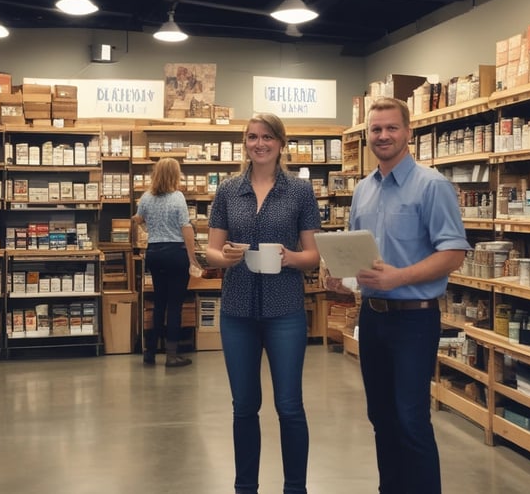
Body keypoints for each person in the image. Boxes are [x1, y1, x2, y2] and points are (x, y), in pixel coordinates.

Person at [325, 97, 471, 494]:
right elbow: (361, 255)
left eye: (392, 128)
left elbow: (453, 253)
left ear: (409, 132)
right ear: (367, 135)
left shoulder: (432, 185)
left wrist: (400, 277)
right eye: (376, 129)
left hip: (415, 319)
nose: (383, 135)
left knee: (410, 419)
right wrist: (343, 278)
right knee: (381, 417)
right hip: (372, 317)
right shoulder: (362, 191)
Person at [206, 112, 321, 494]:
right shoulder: (228, 190)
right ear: (245, 143)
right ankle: (245, 487)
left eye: (268, 137)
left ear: (281, 143)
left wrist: (289, 257)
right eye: (253, 137)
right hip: (237, 311)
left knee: (289, 405)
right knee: (243, 406)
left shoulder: (300, 191)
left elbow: (313, 255)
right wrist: (226, 258)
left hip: (285, 310)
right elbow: (212, 250)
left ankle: (295, 488)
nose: (260, 144)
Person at [134, 157, 202, 367]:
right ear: (174, 175)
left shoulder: (146, 197)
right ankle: (172, 355)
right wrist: (192, 257)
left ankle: (150, 352)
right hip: (175, 253)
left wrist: (150, 228)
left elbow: (137, 218)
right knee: (174, 305)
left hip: (154, 252)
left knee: (159, 303)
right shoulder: (177, 197)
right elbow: (186, 228)